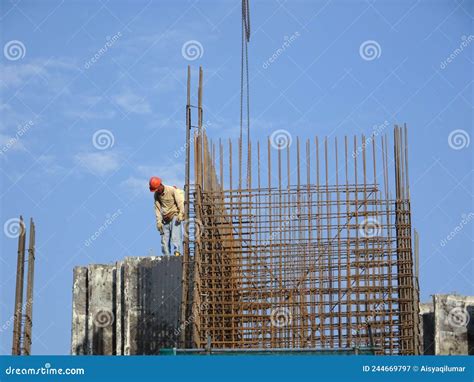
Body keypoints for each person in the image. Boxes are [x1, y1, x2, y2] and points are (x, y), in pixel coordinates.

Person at [149, 176, 185, 256]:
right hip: (165, 218)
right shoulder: (156, 195)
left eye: (157, 189)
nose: (157, 191)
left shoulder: (171, 190)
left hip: (175, 215)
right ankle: (166, 257)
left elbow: (180, 202)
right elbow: (157, 209)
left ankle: (177, 253)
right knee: (164, 240)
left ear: (160, 185)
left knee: (175, 237)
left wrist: (181, 214)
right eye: (155, 190)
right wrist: (158, 221)